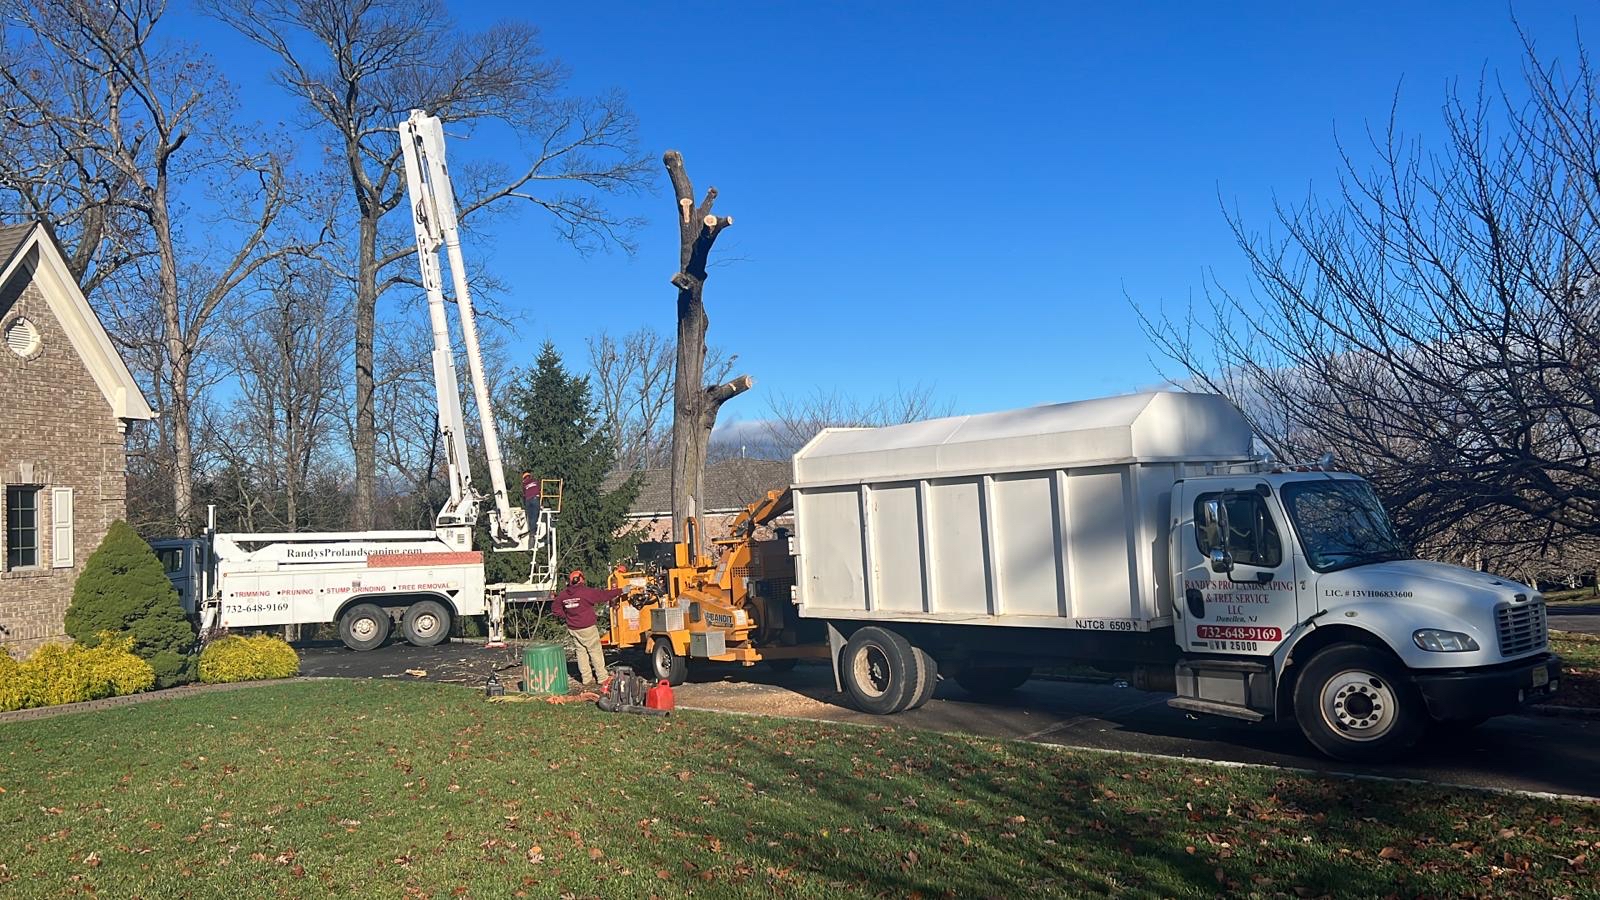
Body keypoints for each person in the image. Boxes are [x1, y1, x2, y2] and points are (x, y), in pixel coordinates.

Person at [550, 570, 620, 687]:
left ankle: (586, 679)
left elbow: (555, 609)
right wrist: (621, 590)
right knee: (595, 651)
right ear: (581, 579)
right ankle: (602, 678)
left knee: (581, 652)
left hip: (573, 628)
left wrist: (567, 616)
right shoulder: (585, 592)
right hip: (587, 627)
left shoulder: (563, 595)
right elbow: (604, 595)